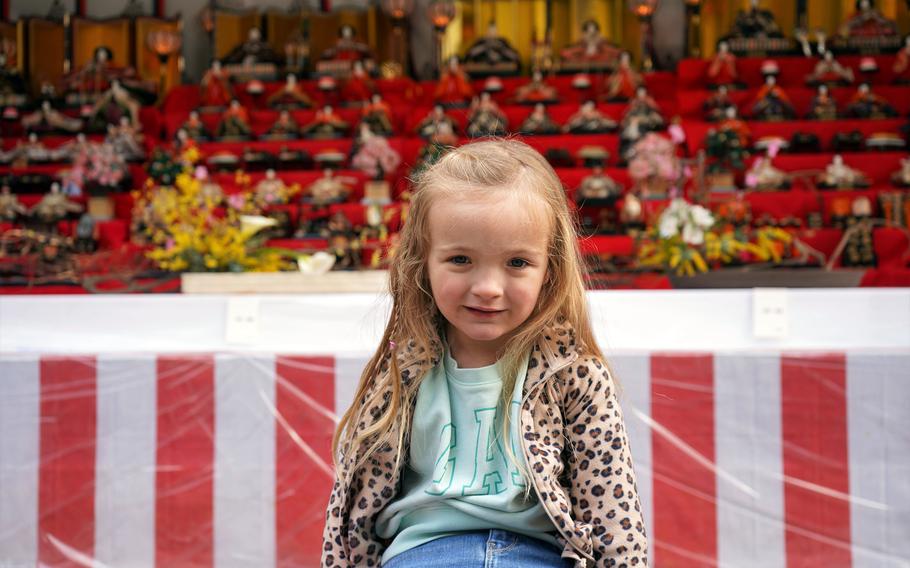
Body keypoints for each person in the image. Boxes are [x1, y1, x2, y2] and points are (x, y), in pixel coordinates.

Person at [321, 139, 647, 568]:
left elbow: (613, 514)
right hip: (421, 554)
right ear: (423, 261)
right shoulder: (401, 372)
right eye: (460, 259)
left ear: (549, 269)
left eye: (516, 263)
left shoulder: (575, 375)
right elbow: (351, 511)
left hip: (539, 556)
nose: (488, 287)